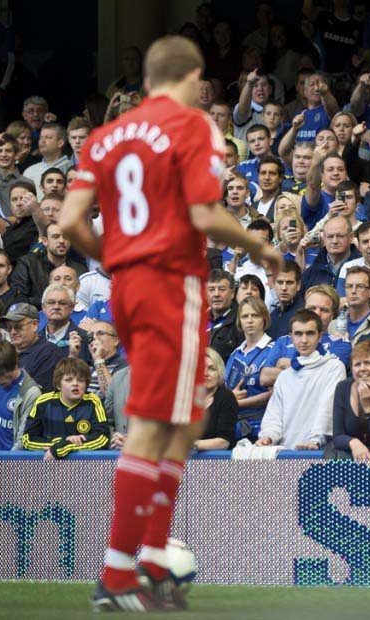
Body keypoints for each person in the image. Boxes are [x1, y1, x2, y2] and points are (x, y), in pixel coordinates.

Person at [59, 36, 285, 611]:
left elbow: (68, 220)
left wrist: (115, 258)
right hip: (171, 285)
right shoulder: (193, 127)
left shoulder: (107, 137)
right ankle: (115, 576)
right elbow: (203, 212)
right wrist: (264, 252)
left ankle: (154, 556)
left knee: (183, 420)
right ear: (191, 77)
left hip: (127, 287)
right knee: (152, 425)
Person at [257, 310, 345, 450]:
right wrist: (268, 437)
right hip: (286, 454)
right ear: (291, 337)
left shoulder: (334, 367)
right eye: (298, 334)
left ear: (320, 336)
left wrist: (316, 440)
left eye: (310, 333)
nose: (304, 340)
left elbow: (327, 409)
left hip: (319, 452)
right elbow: (274, 415)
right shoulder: (285, 376)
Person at [21, 358, 109, 457]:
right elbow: (27, 439)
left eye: (80, 380)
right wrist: (61, 442)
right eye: (68, 380)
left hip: (84, 467)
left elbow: (103, 438)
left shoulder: (93, 401)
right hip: (50, 465)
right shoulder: (43, 402)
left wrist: (66, 446)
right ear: (58, 385)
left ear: (86, 384)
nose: (75, 383)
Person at [224, 297, 273, 440]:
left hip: (262, 426)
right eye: (245, 316)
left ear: (264, 318)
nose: (249, 320)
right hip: (234, 423)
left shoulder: (274, 349)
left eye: (255, 315)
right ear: (239, 321)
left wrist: (237, 403)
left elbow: (275, 394)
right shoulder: (235, 354)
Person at [192, 349, 237, 451]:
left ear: (219, 372)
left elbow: (224, 442)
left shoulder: (226, 398)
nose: (205, 373)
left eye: (212, 369)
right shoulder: (187, 397)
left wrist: (191, 445)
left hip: (217, 461)